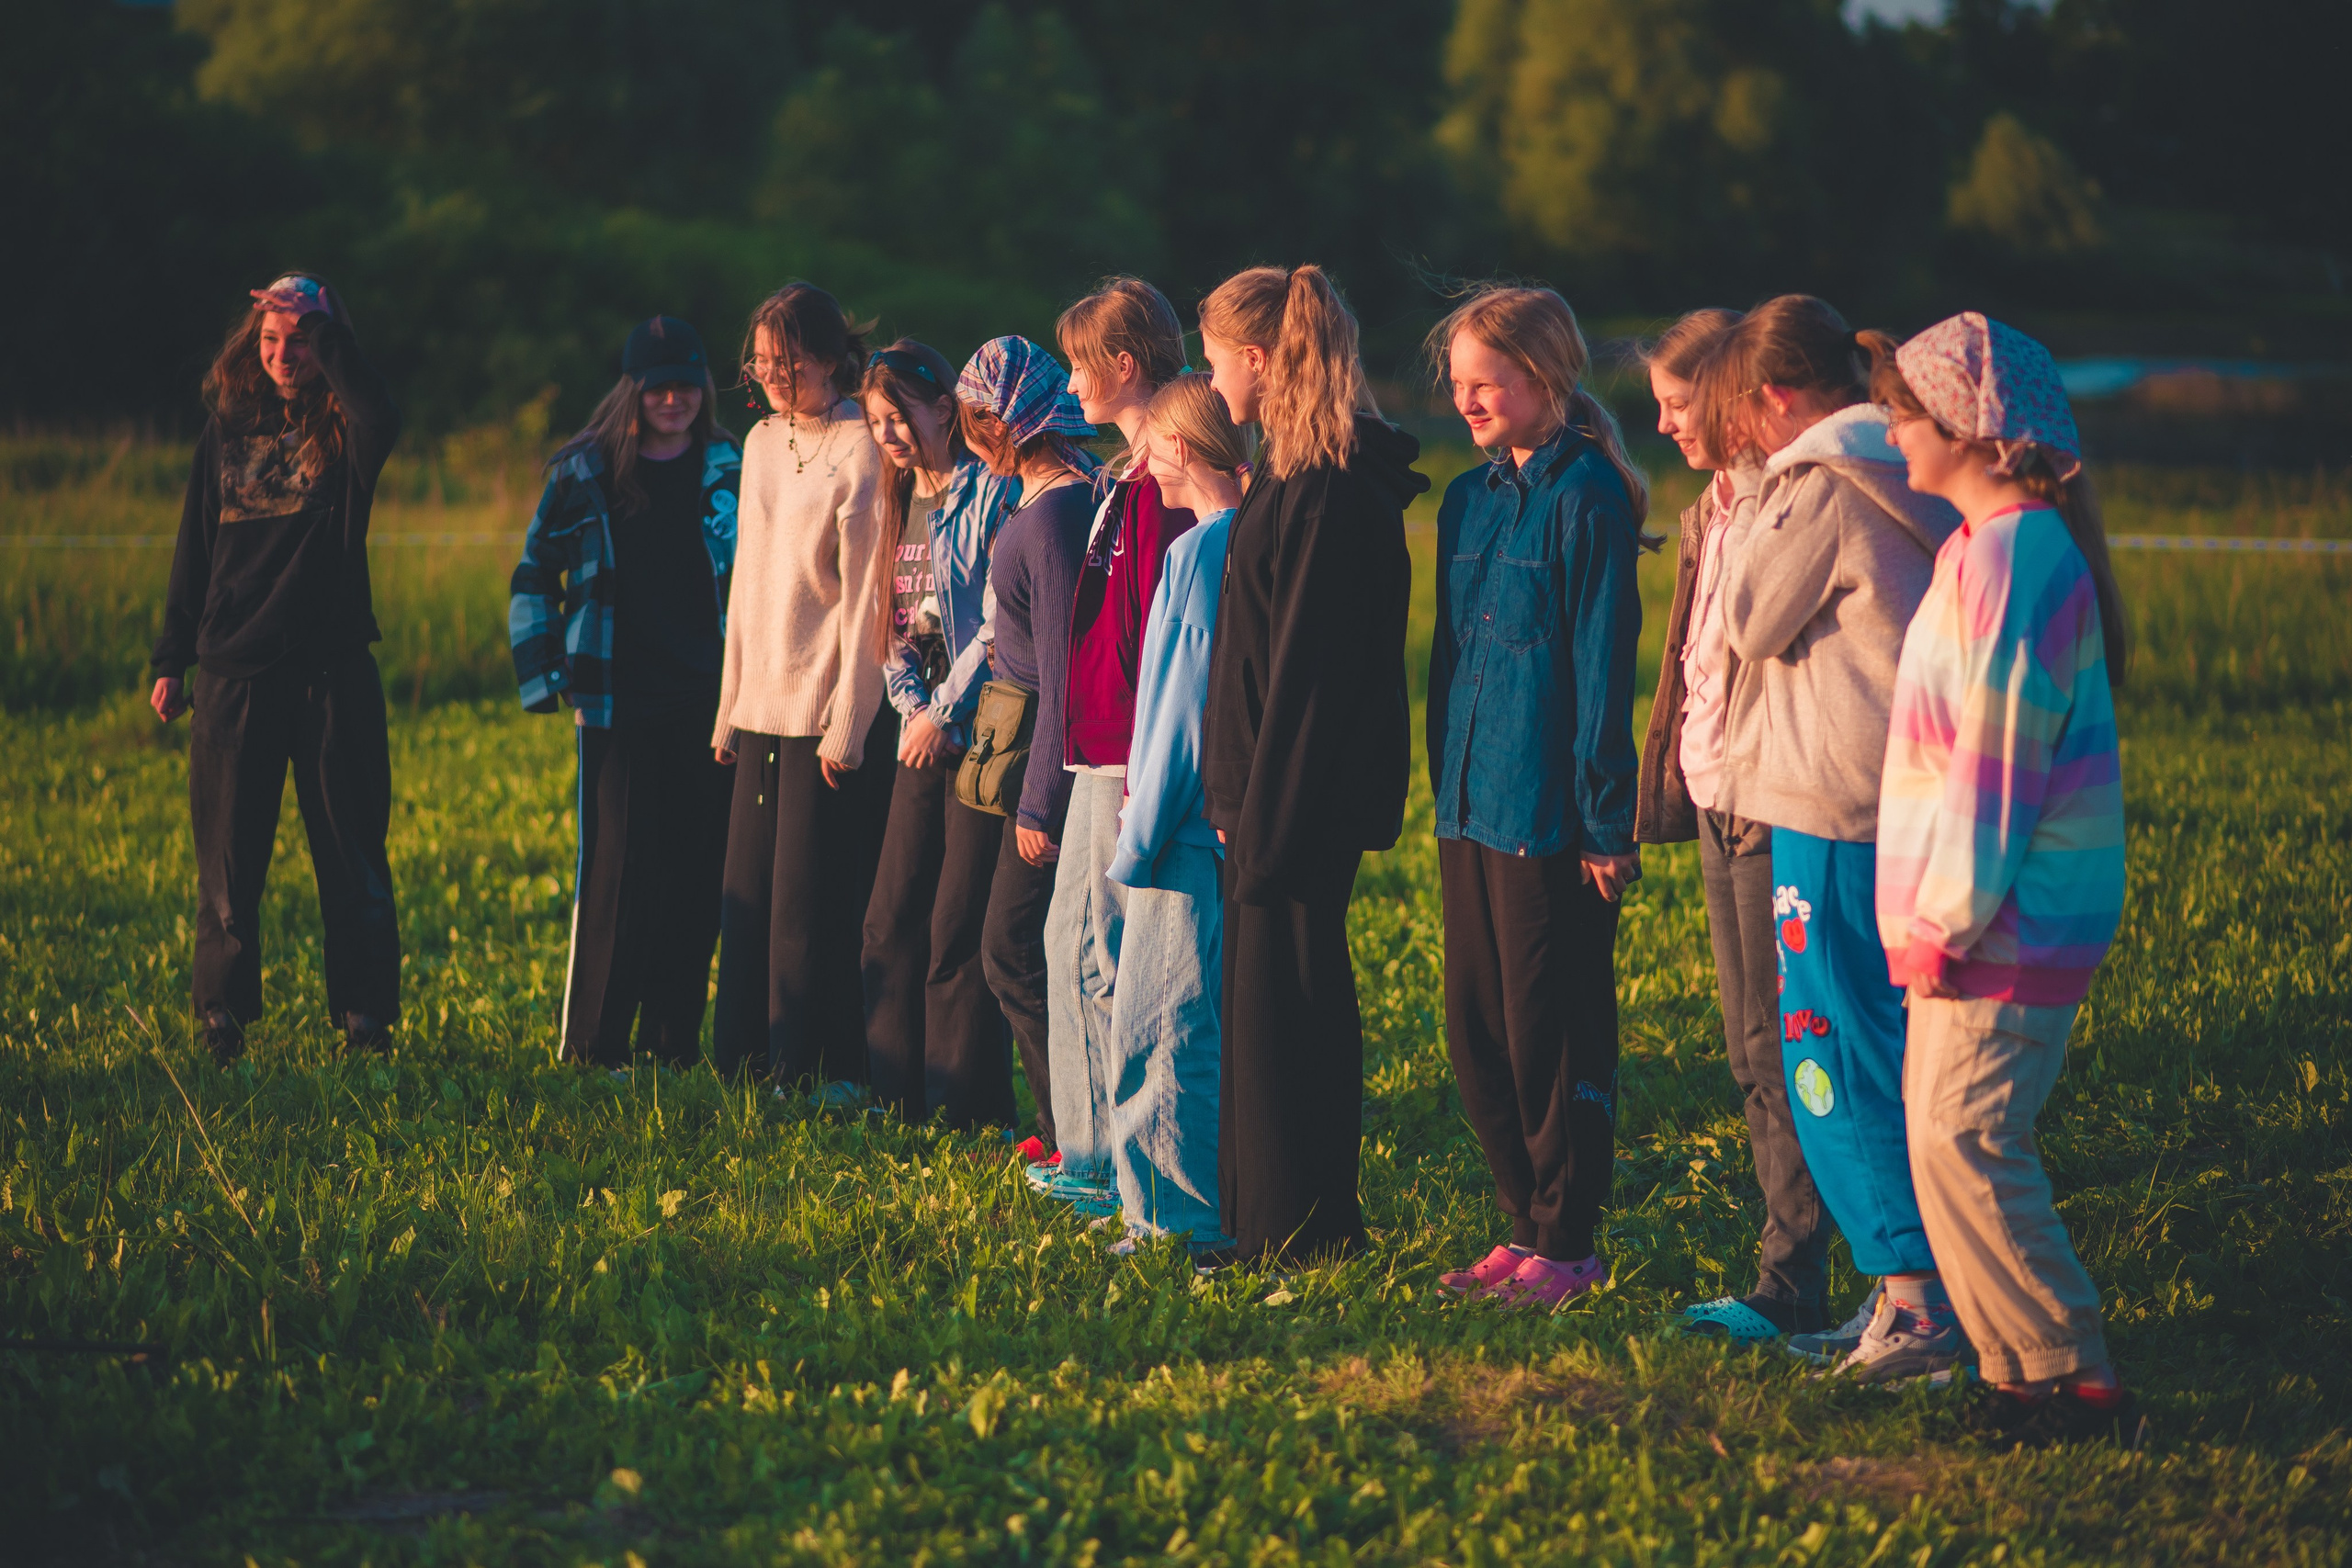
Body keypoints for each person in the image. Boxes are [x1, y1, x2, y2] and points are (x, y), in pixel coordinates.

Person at [1869, 313, 2136, 1442]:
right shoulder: (1974, 550)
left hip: (2003, 921)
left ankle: (2073, 1379)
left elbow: (1999, 757)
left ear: (1968, 427)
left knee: (1973, 1140)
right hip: (1965, 920)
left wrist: (1947, 916)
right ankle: (2012, 1372)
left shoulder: (2022, 555)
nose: (1890, 435)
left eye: (1903, 415)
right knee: (1942, 1140)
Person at [1689, 294, 1962, 1379]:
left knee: (1828, 1045)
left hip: (1825, 799)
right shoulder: (1906, 464)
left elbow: (1748, 618)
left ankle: (1913, 1300)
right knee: (1877, 1043)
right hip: (1895, 790)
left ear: (1769, 399)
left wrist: (1748, 504)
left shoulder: (1814, 482)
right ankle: (1905, 1287)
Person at [1423, 286, 1651, 1309]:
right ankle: (1521, 1225)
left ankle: (1568, 1240)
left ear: (1544, 375)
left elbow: (1604, 675)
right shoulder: (1468, 500)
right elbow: (1445, 662)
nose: (1467, 400)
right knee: (1474, 1025)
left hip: (1550, 815)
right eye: (1458, 384)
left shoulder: (1588, 497)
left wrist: (1607, 823)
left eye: (1487, 381)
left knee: (1548, 1030)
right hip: (1468, 806)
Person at [1198, 265, 1429, 1266]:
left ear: (1256, 359)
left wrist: (1261, 827)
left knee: (1291, 1014)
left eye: (1213, 363)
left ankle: (1304, 1232)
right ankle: (1259, 1220)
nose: (1210, 387)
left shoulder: (1329, 492)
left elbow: (1306, 681)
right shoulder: (1290, 475)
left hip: (1293, 809)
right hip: (1260, 803)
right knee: (1261, 1013)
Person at [1637, 309, 1839, 1345]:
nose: (1665, 424)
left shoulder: (1783, 505)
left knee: (1786, 1040)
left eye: (1679, 404)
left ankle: (1800, 1277)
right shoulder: (1704, 511)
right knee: (1745, 1044)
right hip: (1717, 798)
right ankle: (1794, 1261)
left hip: (1774, 802)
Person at [151, 272, 402, 1066]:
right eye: (270, 340)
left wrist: (323, 327)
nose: (283, 356)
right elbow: (196, 545)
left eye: (298, 341)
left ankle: (365, 1018)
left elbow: (381, 414)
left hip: (330, 674)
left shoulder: (347, 428)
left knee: (353, 853)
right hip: (234, 672)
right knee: (228, 862)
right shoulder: (227, 425)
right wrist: (172, 654)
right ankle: (222, 1019)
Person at [511, 316, 741, 1068]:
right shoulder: (584, 472)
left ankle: (671, 1039)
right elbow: (533, 573)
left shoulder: (726, 465)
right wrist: (548, 675)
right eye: (657, 386)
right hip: (614, 699)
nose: (672, 399)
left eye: (685, 385)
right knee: (616, 872)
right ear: (632, 388)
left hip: (709, 702)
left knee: (694, 870)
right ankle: (594, 1046)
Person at [710, 284, 894, 1087]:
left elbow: (868, 599)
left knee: (807, 903)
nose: (773, 375)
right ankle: (743, 1062)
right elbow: (748, 580)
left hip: (825, 705)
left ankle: (809, 1066)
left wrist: (851, 721)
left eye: (788, 361)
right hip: (758, 708)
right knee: (746, 895)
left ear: (828, 356)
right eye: (762, 361)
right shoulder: (756, 442)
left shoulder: (863, 446)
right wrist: (728, 708)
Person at [1038, 279, 1193, 1207]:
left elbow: (1159, 639)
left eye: (1078, 363)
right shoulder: (1123, 475)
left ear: (1122, 367)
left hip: (1129, 757)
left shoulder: (1165, 480)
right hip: (1093, 748)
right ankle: (1085, 1146)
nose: (1069, 381)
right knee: (1071, 942)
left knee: (1099, 951)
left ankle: (1101, 1162)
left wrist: (1144, 765)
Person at [858, 340, 1024, 1128]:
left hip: (979, 733)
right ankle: (894, 1096)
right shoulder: (896, 499)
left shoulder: (988, 490)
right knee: (890, 917)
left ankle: (965, 1111)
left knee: (956, 928)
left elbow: (998, 623)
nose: (891, 433)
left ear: (940, 408)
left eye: (903, 415)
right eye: (877, 421)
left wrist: (943, 713)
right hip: (920, 728)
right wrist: (909, 704)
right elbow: (893, 627)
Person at [1100, 374, 1248, 1256]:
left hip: (1178, 824)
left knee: (1160, 1024)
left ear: (1181, 450)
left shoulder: (1198, 552)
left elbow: (1178, 705)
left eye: (1150, 444)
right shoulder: (1243, 538)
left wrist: (1140, 827)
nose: (1140, 461)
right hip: (1212, 817)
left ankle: (1169, 1221)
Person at [965, 336, 1102, 1145]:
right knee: (1019, 950)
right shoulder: (1044, 497)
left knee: (1012, 951)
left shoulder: (1053, 516)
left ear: (1005, 423)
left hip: (1040, 766)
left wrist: (1040, 803)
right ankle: (1060, 1125)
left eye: (978, 421)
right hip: (1020, 752)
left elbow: (1060, 672)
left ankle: (1069, 1131)